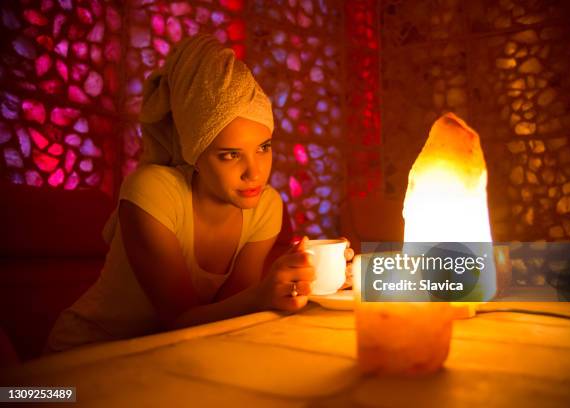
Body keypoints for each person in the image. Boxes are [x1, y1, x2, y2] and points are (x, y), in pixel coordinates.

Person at [45, 35, 352, 353]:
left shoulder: (266, 205)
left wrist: (307, 278)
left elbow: (226, 318)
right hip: (89, 355)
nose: (255, 172)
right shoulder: (152, 193)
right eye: (230, 155)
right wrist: (262, 294)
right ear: (195, 154)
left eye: (263, 148)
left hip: (170, 357)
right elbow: (178, 321)